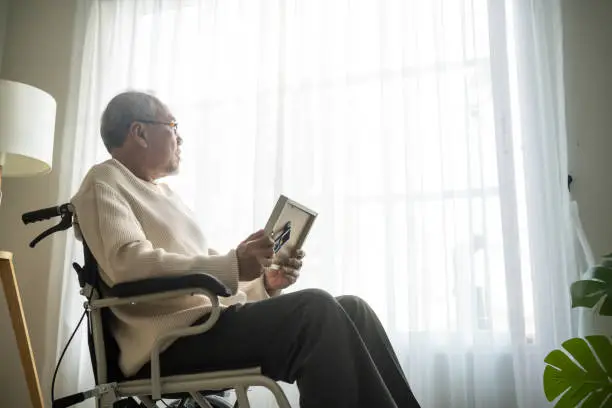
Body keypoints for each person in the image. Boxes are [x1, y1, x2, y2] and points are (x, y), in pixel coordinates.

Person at [71, 91, 422, 408]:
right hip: (169, 342)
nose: (181, 137)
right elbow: (127, 264)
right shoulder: (104, 181)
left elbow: (208, 277)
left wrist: (264, 285)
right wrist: (232, 264)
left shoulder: (166, 197)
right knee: (314, 311)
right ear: (140, 132)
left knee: (353, 310)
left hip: (207, 323)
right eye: (173, 126)